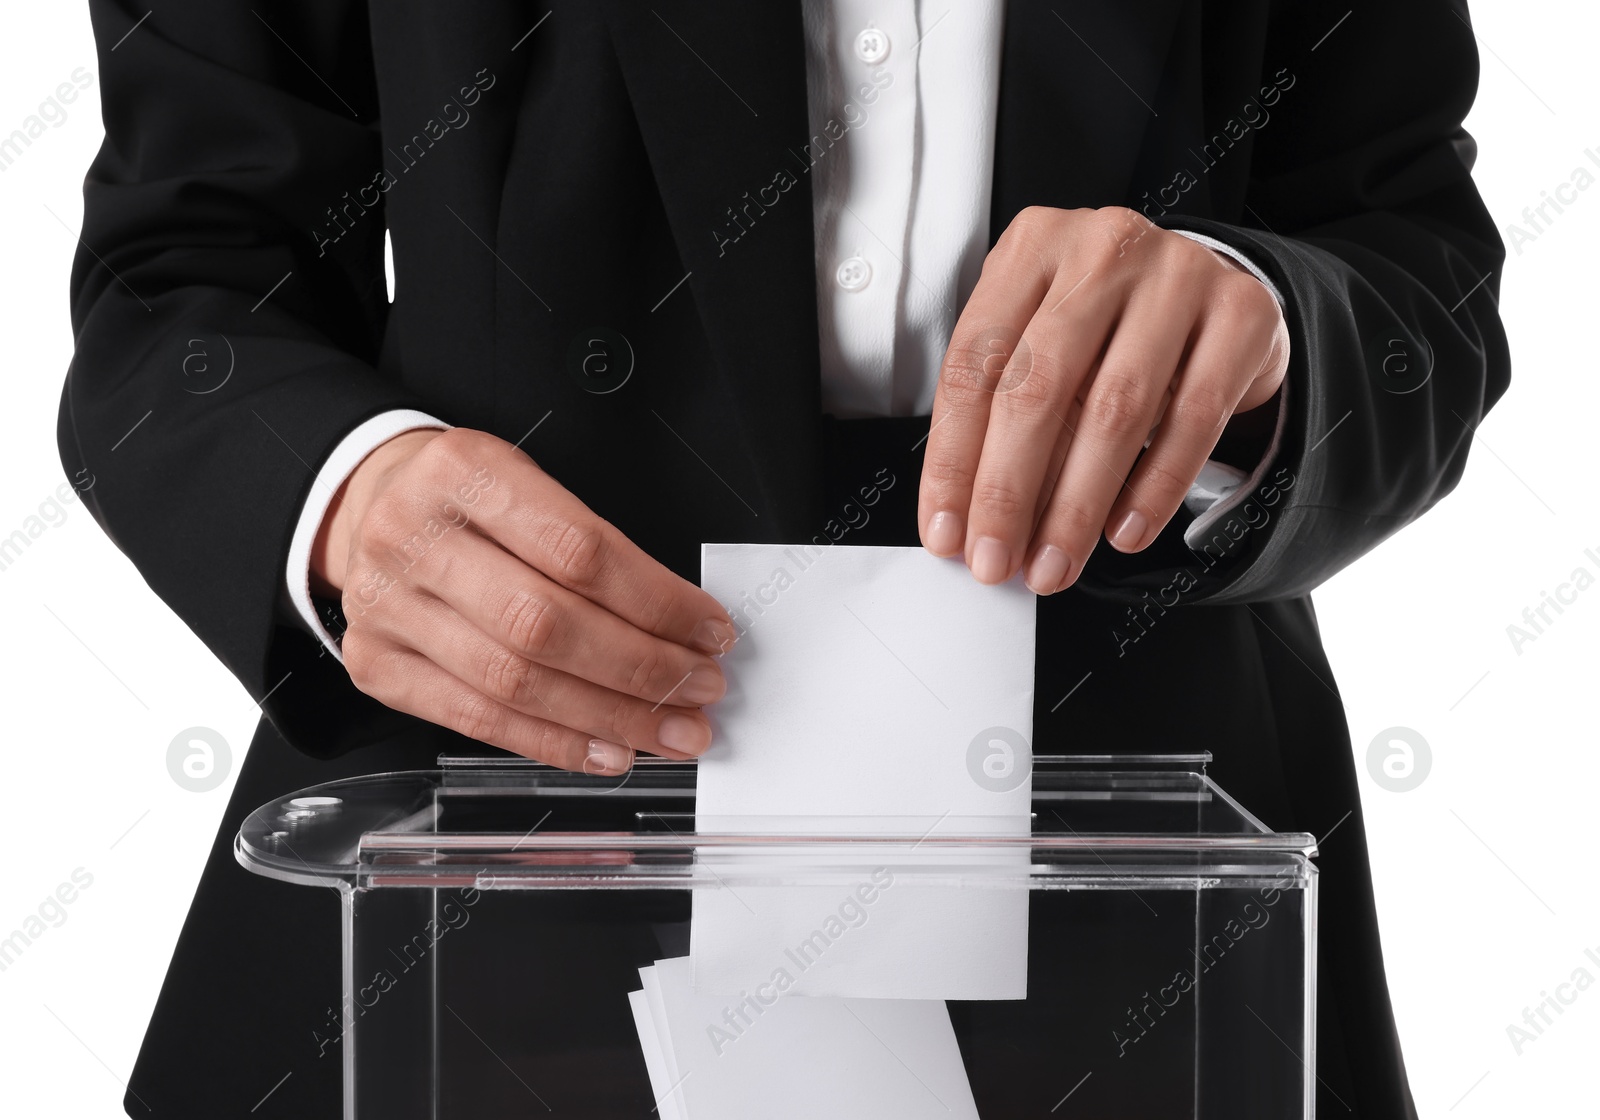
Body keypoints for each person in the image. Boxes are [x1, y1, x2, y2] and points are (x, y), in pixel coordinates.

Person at [60, 1, 1507, 1116]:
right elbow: (181, 266)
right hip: (476, 878)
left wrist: (1262, 328)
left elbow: (1413, 259)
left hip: (1156, 915)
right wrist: (339, 493)